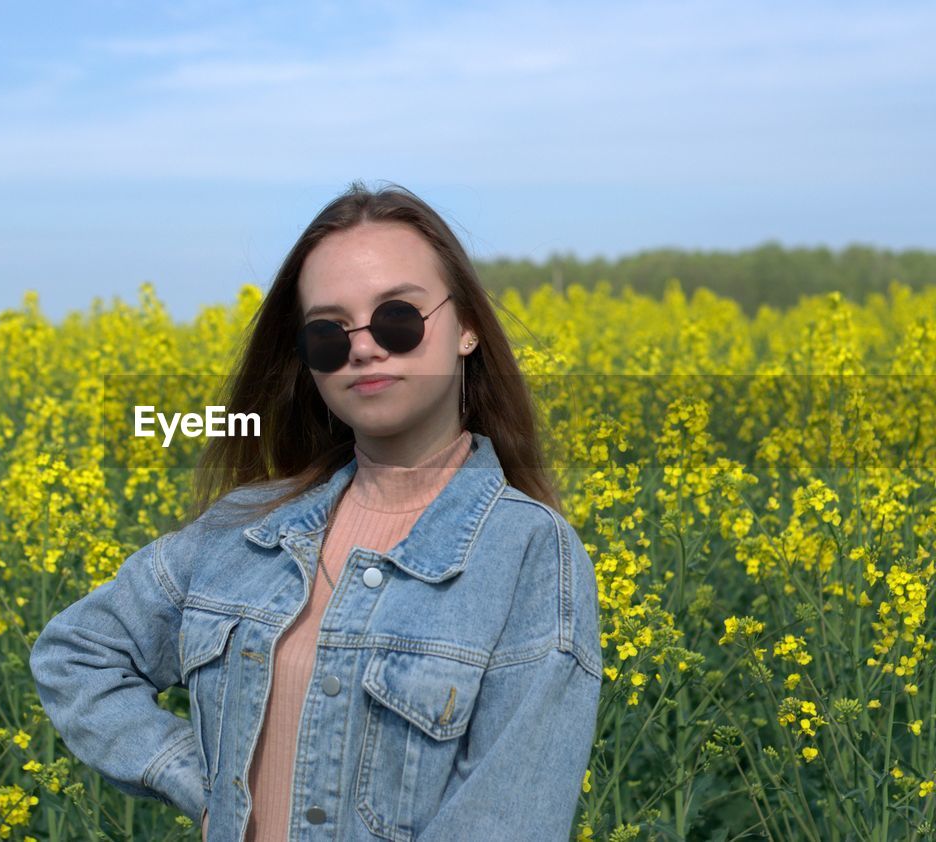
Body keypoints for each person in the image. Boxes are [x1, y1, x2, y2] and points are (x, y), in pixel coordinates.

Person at [30, 181, 603, 841]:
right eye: (328, 335)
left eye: (397, 318)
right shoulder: (240, 530)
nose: (363, 347)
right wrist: (204, 786)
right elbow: (76, 654)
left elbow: (506, 824)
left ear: (467, 327)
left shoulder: (529, 554)